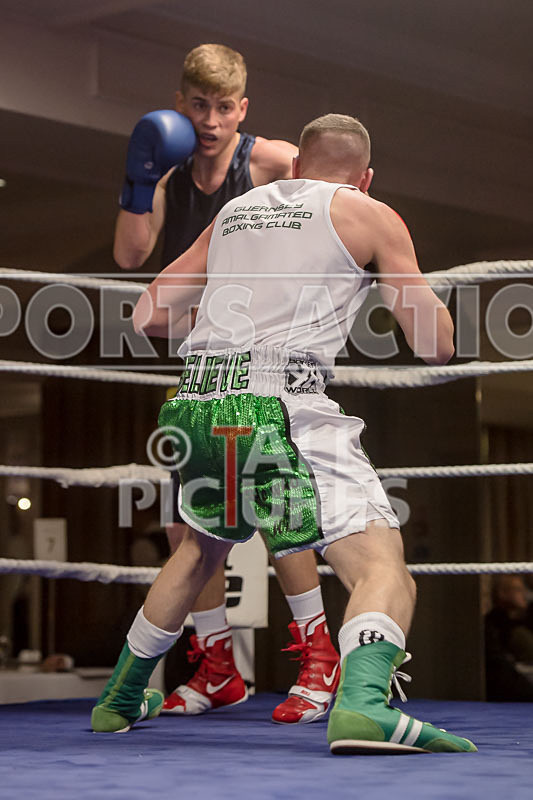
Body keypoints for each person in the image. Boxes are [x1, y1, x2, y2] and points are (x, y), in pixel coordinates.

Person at [93, 113, 477, 754]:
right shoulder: (367, 213)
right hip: (282, 400)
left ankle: (120, 698)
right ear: (366, 178)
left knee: (199, 551)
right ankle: (361, 708)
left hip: (200, 398)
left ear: (296, 167)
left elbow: (150, 314)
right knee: (383, 567)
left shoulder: (238, 209)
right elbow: (436, 346)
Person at [114, 43, 339, 723]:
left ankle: (317, 659)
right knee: (190, 526)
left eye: (223, 108)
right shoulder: (165, 169)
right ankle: (216, 669)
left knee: (275, 509)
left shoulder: (268, 159)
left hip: (268, 361)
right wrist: (136, 179)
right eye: (199, 106)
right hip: (202, 365)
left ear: (241, 109)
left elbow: (338, 203)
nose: (210, 121)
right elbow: (131, 254)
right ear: (181, 103)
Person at [485, 574, 533, 701]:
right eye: (518, 589)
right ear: (503, 593)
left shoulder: (521, 621)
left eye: (524, 589)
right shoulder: (493, 625)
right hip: (512, 689)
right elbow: (501, 669)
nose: (524, 594)